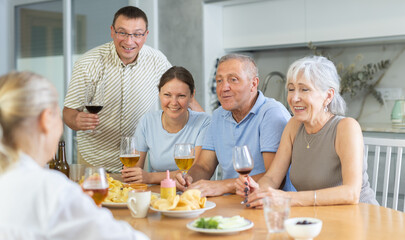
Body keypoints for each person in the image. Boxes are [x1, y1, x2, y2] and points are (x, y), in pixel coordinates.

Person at [0, 71, 148, 239]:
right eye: (58, 114)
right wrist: (76, 205)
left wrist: (78, 205)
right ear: (46, 119)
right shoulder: (52, 191)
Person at [64, 6, 201, 173]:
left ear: (146, 35)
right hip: (94, 159)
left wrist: (207, 127)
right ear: (112, 31)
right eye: (122, 33)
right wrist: (77, 119)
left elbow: (183, 94)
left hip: (137, 159)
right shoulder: (88, 63)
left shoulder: (157, 60)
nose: (129, 42)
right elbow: (67, 112)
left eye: (137, 34)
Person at [235, 56, 378, 207]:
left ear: (328, 95)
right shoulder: (293, 126)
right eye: (291, 89)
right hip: (317, 218)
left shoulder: (346, 127)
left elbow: (351, 193)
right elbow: (272, 178)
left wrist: (287, 198)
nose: (294, 98)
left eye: (304, 89)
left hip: (359, 216)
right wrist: (258, 190)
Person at [175, 54, 295, 197]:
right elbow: (204, 166)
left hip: (267, 204)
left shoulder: (272, 113)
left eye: (233, 79)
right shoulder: (218, 115)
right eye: (219, 80)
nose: (224, 87)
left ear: (253, 84)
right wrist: (189, 178)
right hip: (231, 203)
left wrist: (223, 185)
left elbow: (275, 178)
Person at [121, 66, 210, 184]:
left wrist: (150, 177)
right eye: (167, 95)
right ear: (159, 94)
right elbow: (135, 169)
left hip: (191, 194)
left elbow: (194, 172)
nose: (173, 102)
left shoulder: (205, 122)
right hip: (157, 194)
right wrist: (133, 174)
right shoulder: (147, 121)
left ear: (192, 96)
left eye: (181, 96)